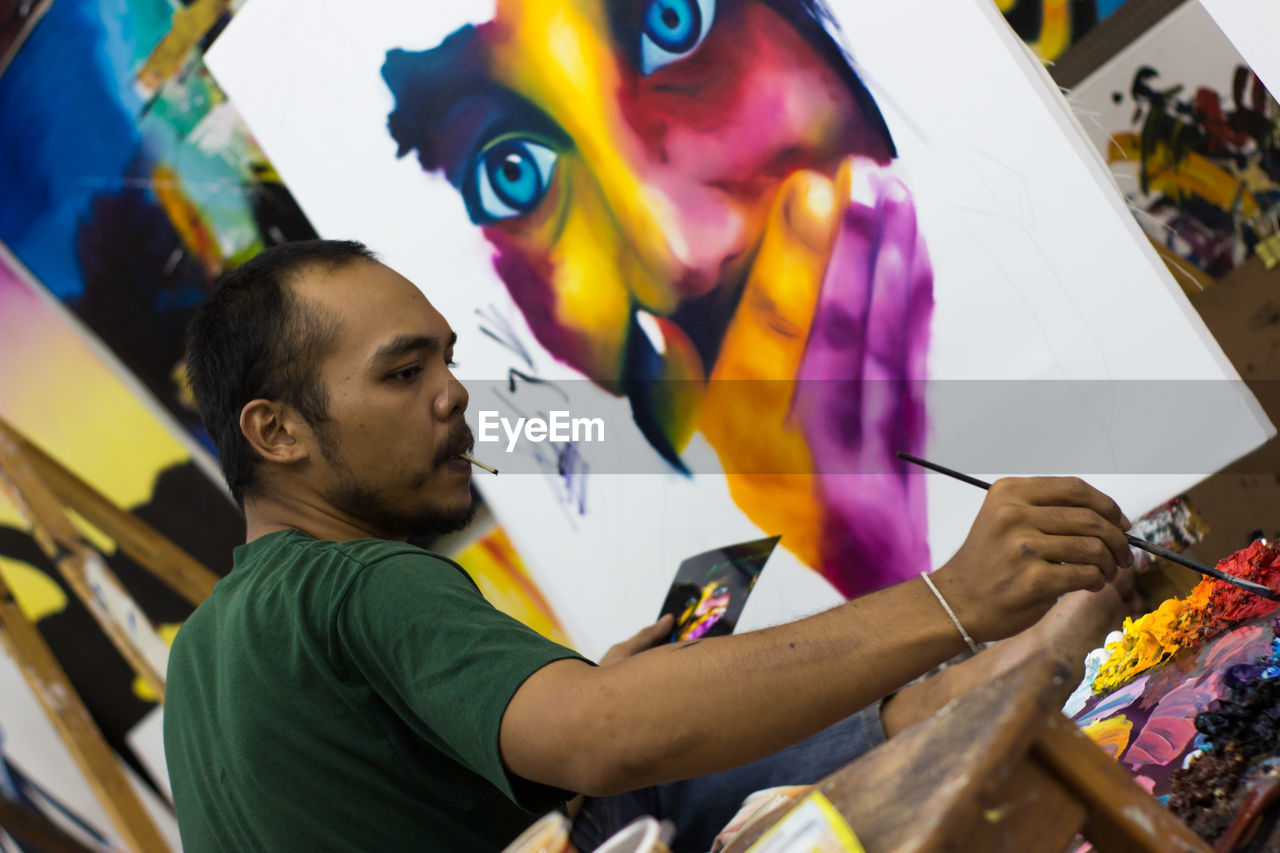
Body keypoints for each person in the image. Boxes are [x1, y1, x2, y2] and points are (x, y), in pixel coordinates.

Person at [165, 239, 1136, 852]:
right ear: (277, 431)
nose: (453, 393)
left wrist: (590, 707)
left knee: (670, 746)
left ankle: (985, 682)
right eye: (402, 371)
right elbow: (605, 736)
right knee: (651, 760)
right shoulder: (357, 582)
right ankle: (993, 675)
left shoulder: (209, 652)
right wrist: (952, 599)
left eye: (447, 360)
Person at [381, 0, 935, 599]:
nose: (678, 253)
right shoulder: (683, 597)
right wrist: (866, 556)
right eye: (514, 173)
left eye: (674, 21)